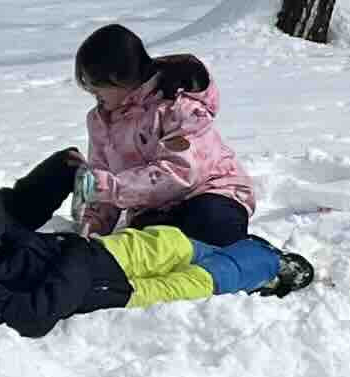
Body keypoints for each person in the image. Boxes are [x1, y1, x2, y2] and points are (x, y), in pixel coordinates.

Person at [0, 166, 314, 334]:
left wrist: (57, 171)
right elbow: (36, 316)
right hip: (115, 291)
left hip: (109, 253)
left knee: (174, 244)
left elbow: (17, 208)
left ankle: (246, 258)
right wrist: (76, 256)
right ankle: (268, 265)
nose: (0, 236)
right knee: (199, 282)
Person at [41, 25, 258, 247]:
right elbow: (102, 177)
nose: (93, 93)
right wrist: (92, 227)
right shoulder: (100, 122)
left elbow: (181, 173)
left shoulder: (177, 108)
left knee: (207, 228)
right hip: (154, 209)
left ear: (119, 77)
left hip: (212, 193)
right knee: (145, 247)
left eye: (97, 85)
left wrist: (109, 187)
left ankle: (261, 259)